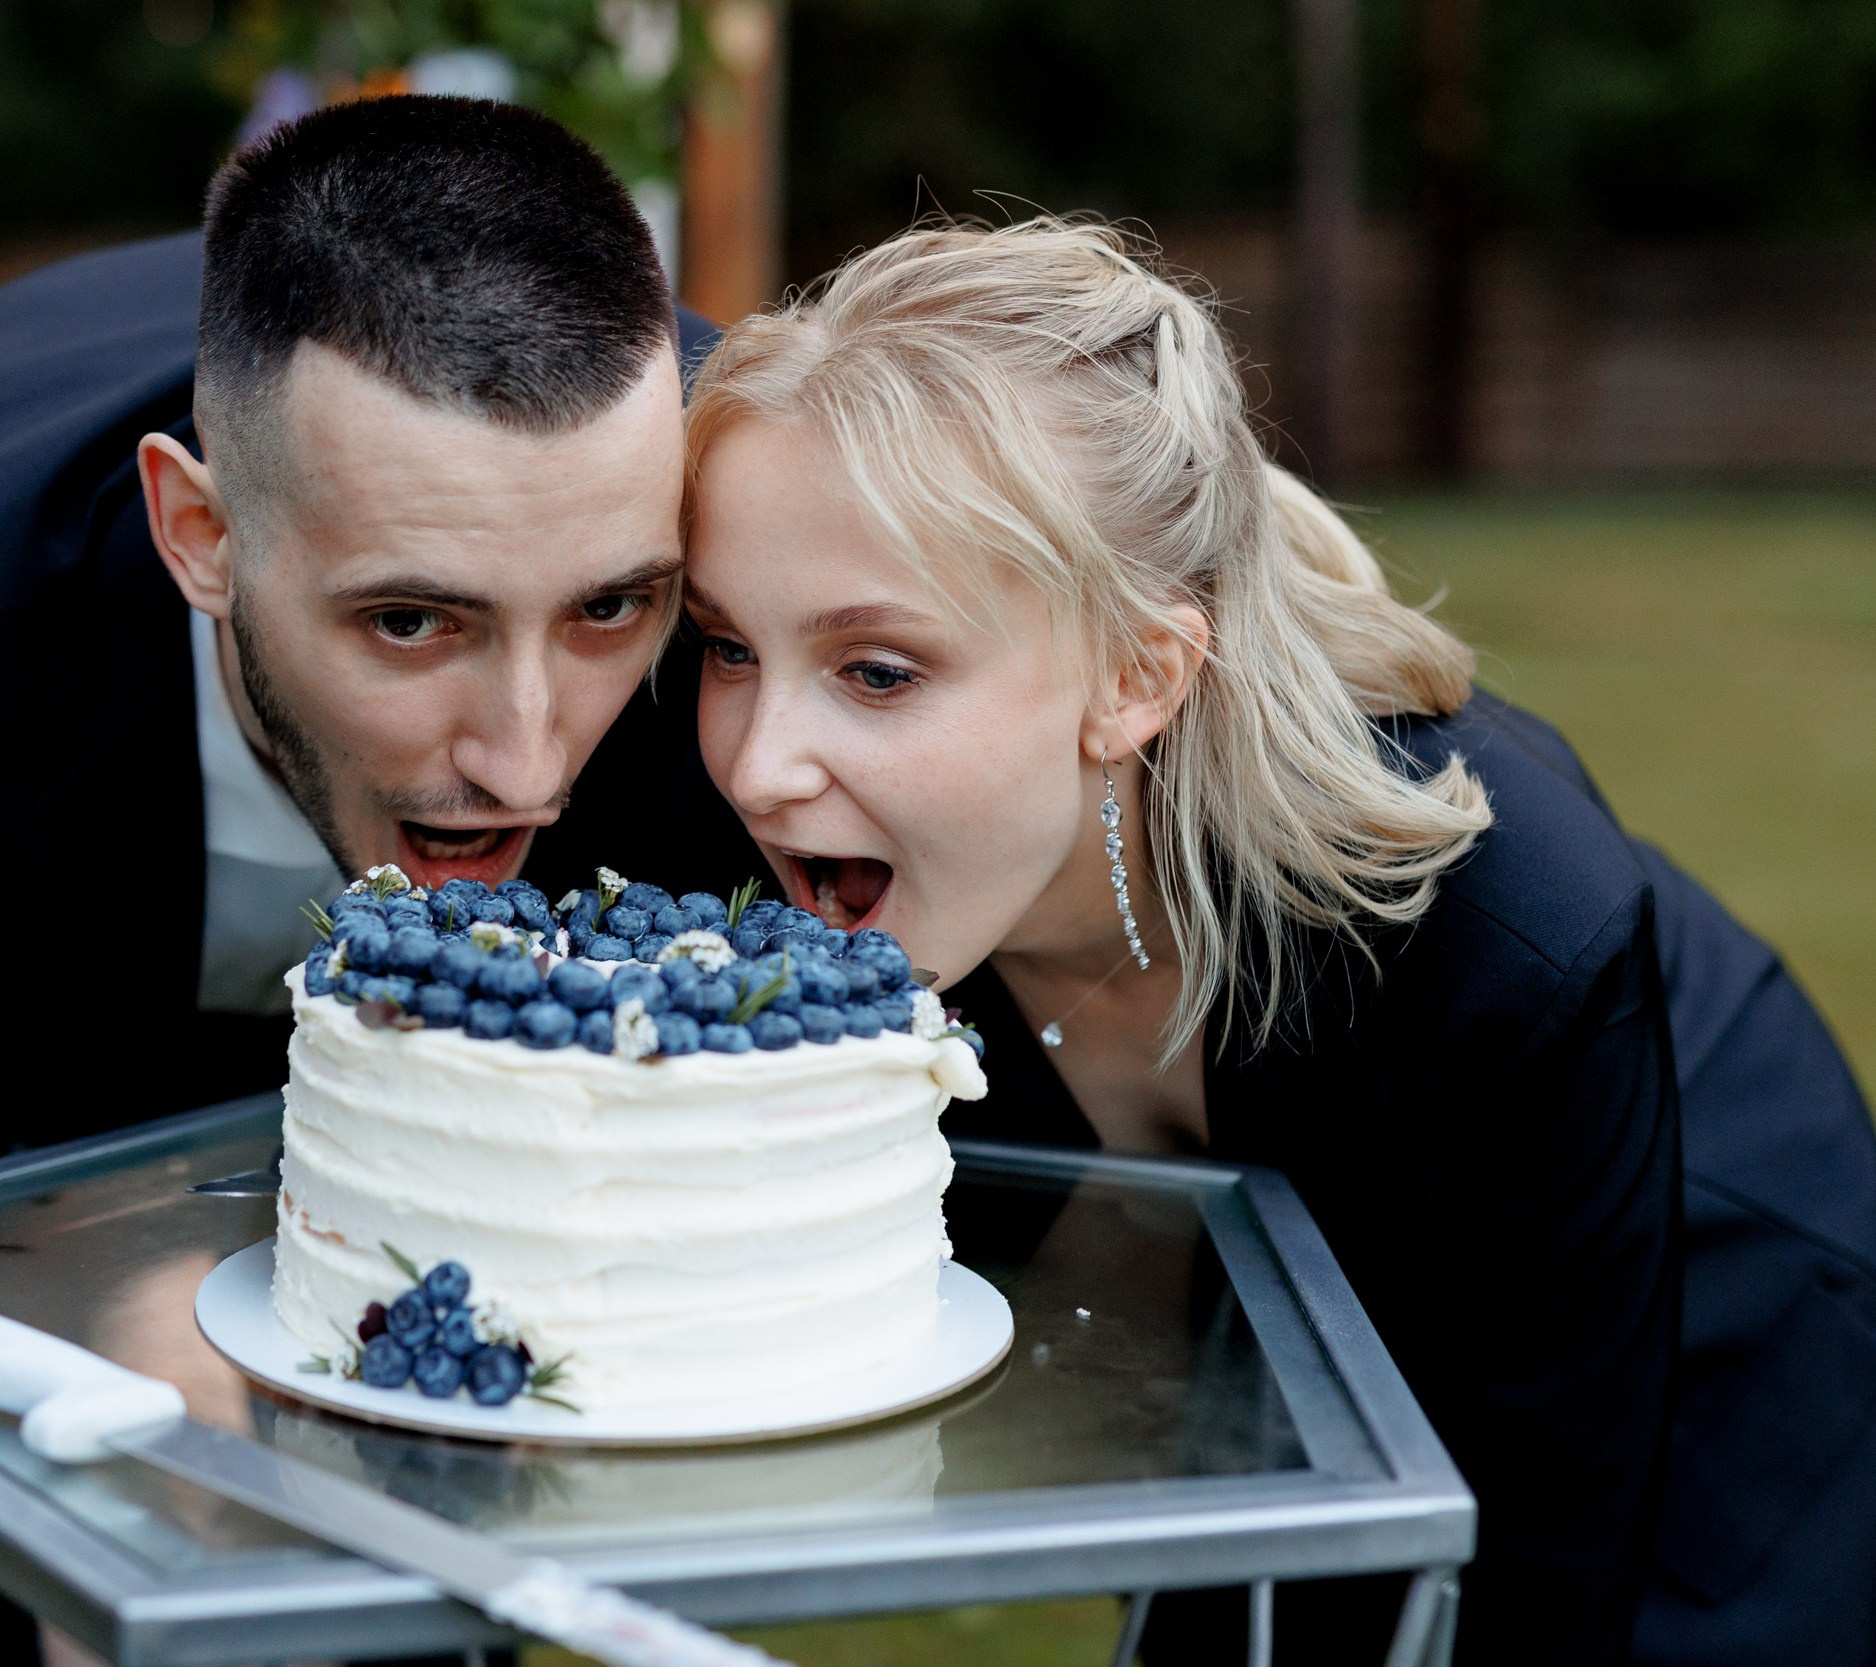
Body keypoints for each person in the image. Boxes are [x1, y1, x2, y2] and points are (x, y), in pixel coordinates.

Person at [0, 95, 751, 1667]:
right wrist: (71, 1291)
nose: (531, 759)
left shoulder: (737, 585)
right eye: (412, 623)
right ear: (197, 532)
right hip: (8, 1076)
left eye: (611, 607)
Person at [679, 216, 1876, 1665]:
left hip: (1708, 1355)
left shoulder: (1509, 941)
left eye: (877, 670)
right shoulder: (868, 837)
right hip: (1296, 1390)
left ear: (1134, 678)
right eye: (728, 647)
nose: (758, 765)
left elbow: (1546, 1570)